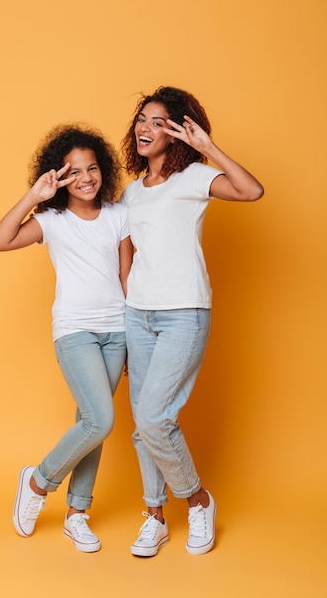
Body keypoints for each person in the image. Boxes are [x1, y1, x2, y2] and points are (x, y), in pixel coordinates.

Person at [120, 86, 264, 557]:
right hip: (137, 314)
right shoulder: (131, 192)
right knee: (142, 425)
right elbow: (126, 257)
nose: (145, 128)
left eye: (158, 121)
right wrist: (126, 301)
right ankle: (154, 517)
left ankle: (198, 500)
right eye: (142, 118)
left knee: (154, 417)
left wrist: (207, 147)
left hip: (184, 311)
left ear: (179, 130)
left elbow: (251, 190)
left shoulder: (195, 177)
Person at [0, 124, 133, 552]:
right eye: (74, 172)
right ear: (59, 176)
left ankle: (77, 515)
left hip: (118, 332)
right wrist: (34, 196)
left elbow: (128, 279)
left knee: (91, 425)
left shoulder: (118, 216)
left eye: (93, 168)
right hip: (75, 331)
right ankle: (37, 481)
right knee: (100, 420)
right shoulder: (51, 221)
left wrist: (136, 338)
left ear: (103, 169)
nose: (86, 178)